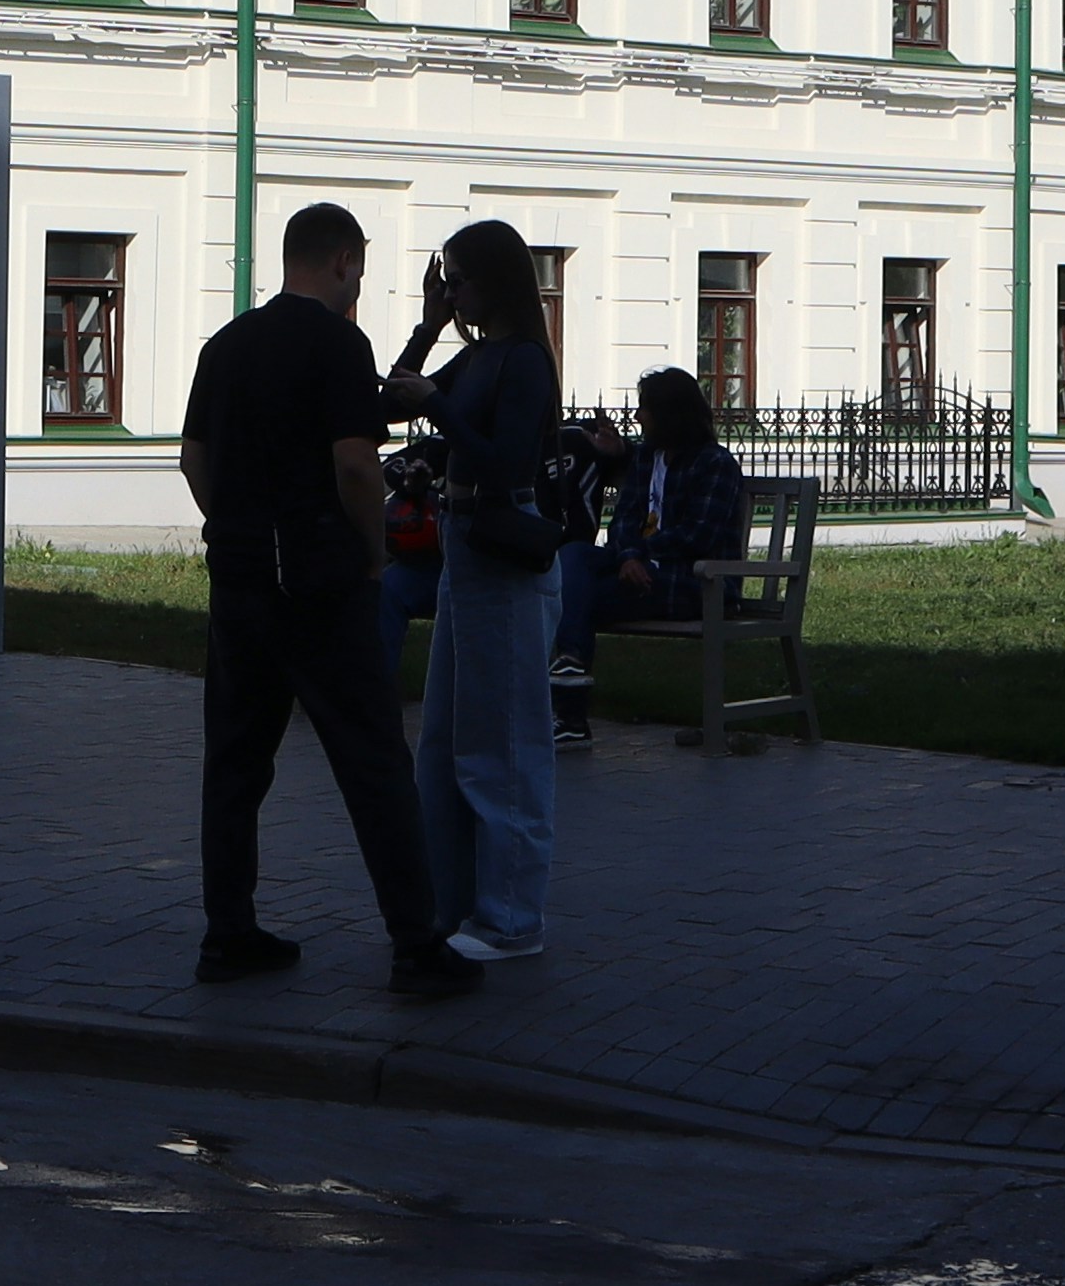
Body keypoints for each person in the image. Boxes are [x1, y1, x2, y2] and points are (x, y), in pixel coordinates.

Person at [176, 203, 466, 998]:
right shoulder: (338, 343)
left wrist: (233, 526)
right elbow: (356, 461)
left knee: (235, 765)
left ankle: (227, 933)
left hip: (239, 584)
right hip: (319, 585)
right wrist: (371, 553)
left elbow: (193, 457)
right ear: (342, 260)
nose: (358, 292)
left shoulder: (227, 345)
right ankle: (416, 944)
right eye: (361, 275)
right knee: (373, 763)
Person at [401, 218, 572, 965]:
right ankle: (450, 904)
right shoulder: (475, 358)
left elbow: (505, 462)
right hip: (464, 549)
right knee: (443, 740)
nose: (454, 290)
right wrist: (429, 325)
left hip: (501, 549)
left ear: (494, 279)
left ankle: (511, 921)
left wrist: (439, 413)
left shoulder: (523, 359)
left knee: (502, 741)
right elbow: (385, 403)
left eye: (460, 279)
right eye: (448, 280)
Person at [553, 366, 749, 746]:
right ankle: (571, 669)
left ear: (671, 414)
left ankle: (571, 713)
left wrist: (637, 554)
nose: (638, 416)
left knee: (578, 598)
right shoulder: (647, 458)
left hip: (694, 581)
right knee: (574, 554)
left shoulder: (715, 464)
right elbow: (624, 517)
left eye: (645, 408)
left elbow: (698, 535)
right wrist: (629, 555)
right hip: (642, 570)